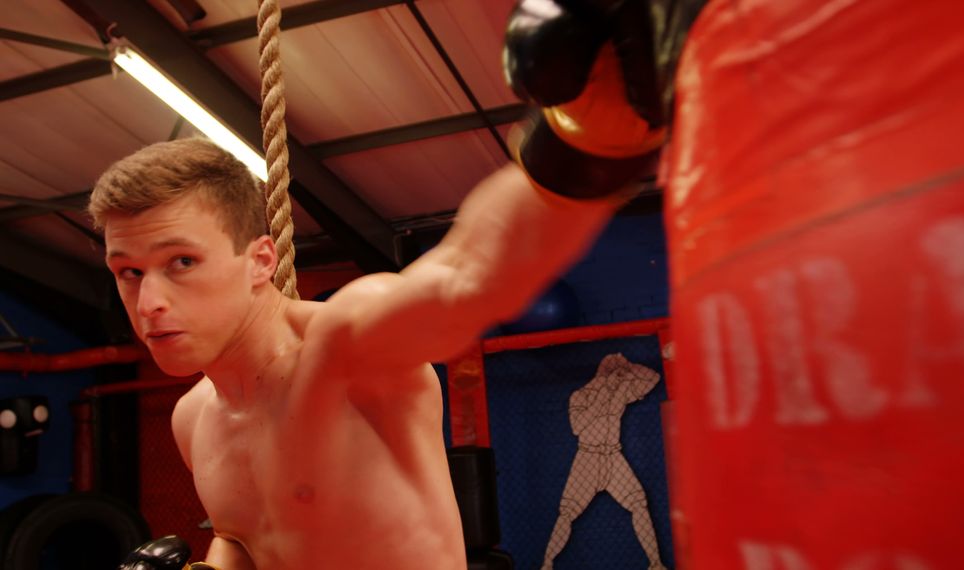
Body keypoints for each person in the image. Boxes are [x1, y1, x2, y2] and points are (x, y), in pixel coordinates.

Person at [98, 1, 686, 568]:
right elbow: (245, 537)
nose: (149, 303)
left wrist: (590, 139)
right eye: (129, 273)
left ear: (260, 260)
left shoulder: (347, 348)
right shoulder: (192, 418)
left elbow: (468, 275)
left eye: (181, 262)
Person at [541, 353, 666, 570]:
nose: (619, 379)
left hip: (614, 457)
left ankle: (655, 563)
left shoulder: (619, 392)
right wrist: (603, 390)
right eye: (615, 373)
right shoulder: (580, 395)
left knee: (639, 503)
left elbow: (652, 378)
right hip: (587, 459)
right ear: (602, 374)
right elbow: (577, 427)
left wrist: (628, 367)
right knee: (568, 512)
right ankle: (547, 564)